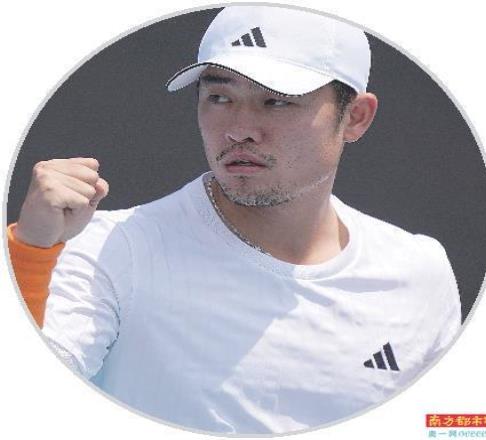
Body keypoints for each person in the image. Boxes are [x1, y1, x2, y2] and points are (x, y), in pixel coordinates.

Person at [7, 5, 461, 435]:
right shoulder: (108, 248)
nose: (239, 129)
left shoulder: (419, 271)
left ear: (355, 117)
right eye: (220, 97)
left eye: (277, 102)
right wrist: (29, 252)